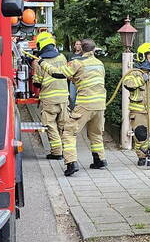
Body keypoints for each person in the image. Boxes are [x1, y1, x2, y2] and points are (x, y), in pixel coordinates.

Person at [59, 39, 106, 176]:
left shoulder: (77, 62)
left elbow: (60, 74)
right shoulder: (100, 64)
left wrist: (43, 64)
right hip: (100, 104)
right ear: (93, 49)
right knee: (96, 133)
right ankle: (100, 160)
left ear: (82, 49)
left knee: (69, 132)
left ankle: (71, 163)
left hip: (86, 104)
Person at [122, 42, 150, 166]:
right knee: (141, 133)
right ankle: (142, 156)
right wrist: (142, 79)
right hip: (139, 110)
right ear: (143, 56)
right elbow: (128, 84)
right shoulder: (135, 72)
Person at [31, 32, 69, 160]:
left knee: (51, 125)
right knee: (63, 125)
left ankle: (56, 152)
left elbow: (37, 83)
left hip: (49, 99)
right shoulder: (62, 57)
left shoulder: (39, 62)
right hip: (64, 97)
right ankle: (67, 151)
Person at [67, 39, 83, 109]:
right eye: (77, 44)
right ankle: (73, 111)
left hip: (81, 79)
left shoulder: (83, 55)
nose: (78, 46)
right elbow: (67, 66)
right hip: (72, 80)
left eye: (80, 44)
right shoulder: (70, 55)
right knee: (72, 97)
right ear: (74, 46)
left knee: (80, 98)